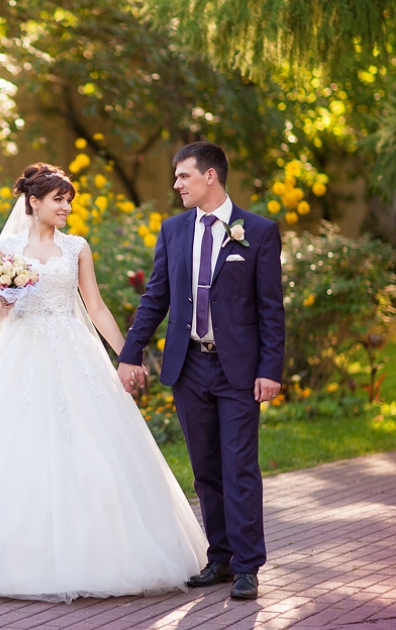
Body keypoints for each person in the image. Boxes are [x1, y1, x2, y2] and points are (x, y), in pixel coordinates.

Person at [0, 163, 207, 602]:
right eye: (59, 199)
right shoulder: (5, 247)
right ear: (33, 202)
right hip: (20, 352)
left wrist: (128, 354)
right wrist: (6, 296)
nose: (66, 207)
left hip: (74, 350)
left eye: (69, 200)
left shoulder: (77, 248)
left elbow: (96, 307)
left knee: (92, 443)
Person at [116, 141, 284, 601]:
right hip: (188, 366)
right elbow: (156, 296)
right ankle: (222, 558)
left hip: (239, 370)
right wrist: (131, 353)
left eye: (184, 176)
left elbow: (271, 309)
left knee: (239, 466)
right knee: (206, 468)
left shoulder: (258, 231)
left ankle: (248, 565)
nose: (177, 185)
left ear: (210, 176)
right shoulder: (173, 230)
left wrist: (270, 369)